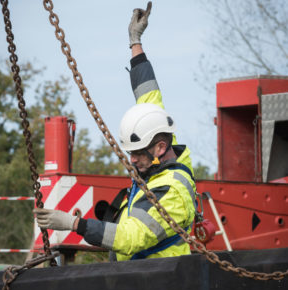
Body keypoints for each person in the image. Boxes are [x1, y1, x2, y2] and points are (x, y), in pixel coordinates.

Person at [34, 2, 196, 261]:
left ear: (160, 148)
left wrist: (74, 224)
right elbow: (148, 97)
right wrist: (135, 41)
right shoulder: (159, 137)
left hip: (160, 283)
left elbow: (129, 238)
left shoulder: (171, 191)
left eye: (137, 154)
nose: (131, 160)